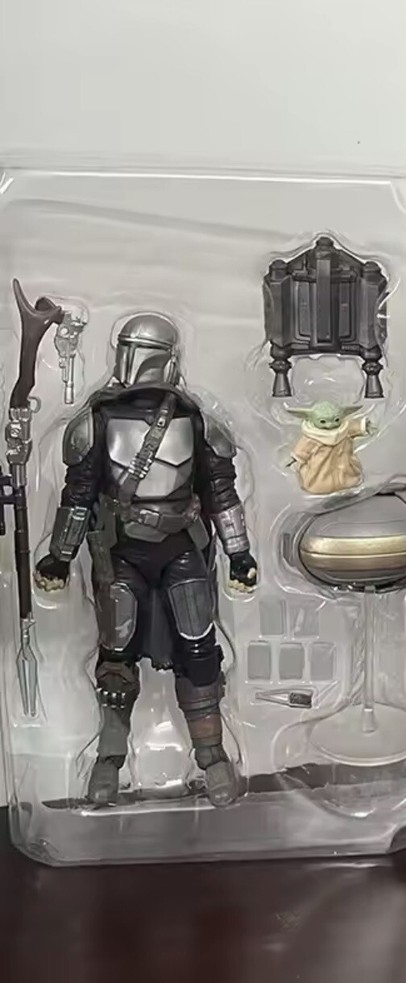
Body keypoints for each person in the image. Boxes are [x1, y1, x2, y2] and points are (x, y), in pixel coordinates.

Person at [34, 313, 258, 806]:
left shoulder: (196, 420)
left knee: (199, 649)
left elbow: (221, 493)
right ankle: (110, 759)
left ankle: (212, 756)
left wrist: (239, 551)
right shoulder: (96, 421)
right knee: (116, 655)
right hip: (122, 554)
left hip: (181, 548)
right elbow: (78, 496)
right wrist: (59, 557)